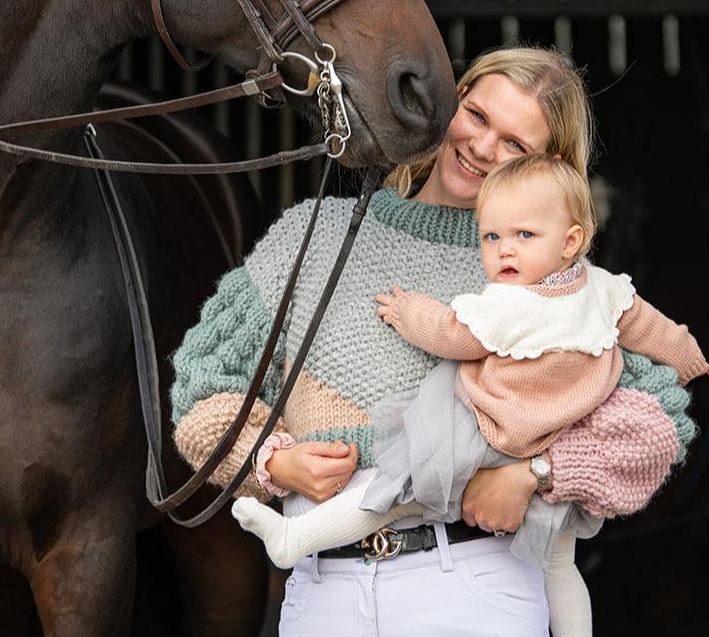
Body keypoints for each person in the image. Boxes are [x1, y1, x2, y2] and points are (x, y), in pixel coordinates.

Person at [171, 47, 698, 637]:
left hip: (471, 586)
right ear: (450, 105)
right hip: (323, 596)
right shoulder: (314, 235)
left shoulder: (548, 283)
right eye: (476, 116)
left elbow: (657, 423)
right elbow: (203, 388)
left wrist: (538, 474)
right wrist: (275, 461)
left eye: (515, 145)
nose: (481, 147)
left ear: (543, 166)